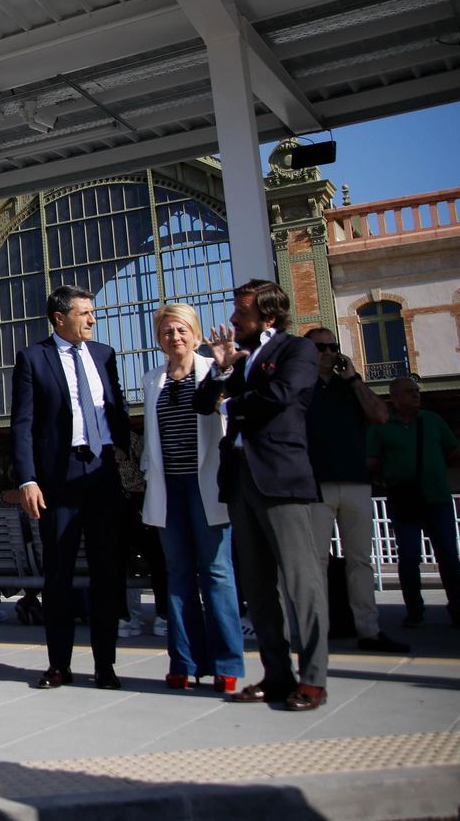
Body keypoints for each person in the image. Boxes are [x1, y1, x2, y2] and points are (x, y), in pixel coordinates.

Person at [194, 279, 327, 712]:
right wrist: (221, 370)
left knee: (300, 581)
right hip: (240, 481)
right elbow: (202, 403)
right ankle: (275, 676)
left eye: (243, 312)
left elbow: (283, 395)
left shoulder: (297, 350)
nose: (234, 319)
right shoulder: (236, 357)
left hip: (281, 478)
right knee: (257, 585)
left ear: (268, 315)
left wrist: (232, 402)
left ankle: (313, 679)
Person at [11, 284, 131, 691]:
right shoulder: (32, 359)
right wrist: (27, 478)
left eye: (92, 312)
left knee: (107, 573)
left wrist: (122, 450)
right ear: (59, 318)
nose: (92, 320)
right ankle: (58, 664)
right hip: (58, 480)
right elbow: (24, 425)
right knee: (58, 575)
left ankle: (105, 665)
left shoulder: (104, 356)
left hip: (101, 473)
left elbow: (114, 402)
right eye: (84, 313)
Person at [139, 303, 243, 693]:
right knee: (178, 576)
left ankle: (227, 664)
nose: (175, 337)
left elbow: (229, 412)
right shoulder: (153, 380)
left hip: (208, 488)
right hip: (169, 488)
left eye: (182, 330)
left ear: (195, 334)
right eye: (167, 331)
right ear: (159, 339)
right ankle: (183, 662)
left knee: (217, 574)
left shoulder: (212, 372)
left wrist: (223, 369)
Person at [304, 326, 409, 654]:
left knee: (360, 560)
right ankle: (316, 630)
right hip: (315, 484)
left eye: (332, 347)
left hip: (355, 482)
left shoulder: (349, 387)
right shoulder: (297, 387)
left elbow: (380, 415)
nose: (327, 352)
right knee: (315, 561)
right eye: (320, 348)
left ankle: (369, 630)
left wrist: (353, 378)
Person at [369, 375, 460, 630]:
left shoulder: (432, 421)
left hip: (437, 498)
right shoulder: (381, 425)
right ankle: (414, 610)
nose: (416, 394)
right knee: (409, 556)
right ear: (394, 398)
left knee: (447, 554)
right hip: (403, 499)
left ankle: (458, 608)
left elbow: (455, 452)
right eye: (409, 391)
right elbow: (371, 462)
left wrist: (435, 468)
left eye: (416, 390)